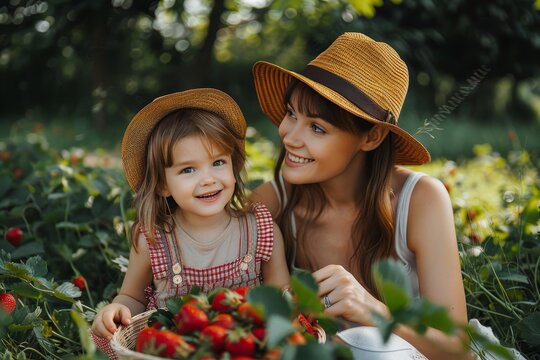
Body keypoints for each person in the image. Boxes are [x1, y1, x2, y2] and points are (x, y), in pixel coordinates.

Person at [250, 32, 470, 359]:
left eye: (317, 128)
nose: (289, 136)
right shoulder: (271, 202)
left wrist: (374, 311)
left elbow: (458, 352)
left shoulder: (420, 200)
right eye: (292, 114)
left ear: (372, 137)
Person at [91, 88, 290, 358]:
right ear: (162, 184)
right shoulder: (153, 238)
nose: (208, 179)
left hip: (242, 348)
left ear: (234, 165)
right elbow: (132, 297)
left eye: (218, 162)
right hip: (175, 349)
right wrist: (117, 309)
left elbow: (281, 294)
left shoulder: (260, 230)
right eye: (188, 169)